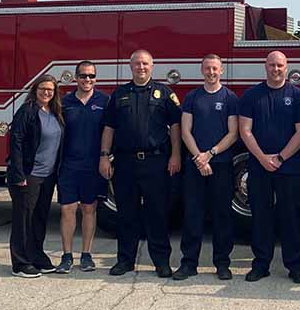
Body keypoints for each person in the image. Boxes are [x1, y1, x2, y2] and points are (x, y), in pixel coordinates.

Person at [99, 50, 182, 277]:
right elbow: (109, 127)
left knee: (158, 213)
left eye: (145, 63)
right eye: (137, 64)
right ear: (130, 66)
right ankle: (125, 261)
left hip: (156, 161)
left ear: (152, 66)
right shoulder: (119, 94)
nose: (141, 67)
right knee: (127, 214)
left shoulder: (164, 93)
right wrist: (104, 156)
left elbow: (175, 126)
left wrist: (176, 155)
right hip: (125, 162)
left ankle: (161, 262)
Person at [238, 51, 300, 284]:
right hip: (259, 167)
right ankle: (261, 264)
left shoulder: (298, 96)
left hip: (288, 167)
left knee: (290, 216)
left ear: (287, 67)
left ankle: (294, 265)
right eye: (272, 65)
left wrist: (279, 158)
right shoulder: (251, 95)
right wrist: (261, 158)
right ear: (265, 66)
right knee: (261, 216)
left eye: (280, 65)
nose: (276, 69)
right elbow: (245, 130)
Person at [174, 54, 240, 281]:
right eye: (207, 69)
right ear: (201, 70)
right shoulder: (192, 97)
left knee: (222, 215)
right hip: (196, 165)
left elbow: (233, 133)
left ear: (221, 70)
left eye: (215, 69)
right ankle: (188, 263)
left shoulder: (230, 97)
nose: (211, 72)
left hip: (220, 164)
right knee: (192, 214)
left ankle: (222, 263)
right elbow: (185, 131)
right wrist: (199, 158)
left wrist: (210, 154)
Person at [54, 60, 109, 274]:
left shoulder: (104, 100)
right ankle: (67, 256)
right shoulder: (64, 102)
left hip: (92, 165)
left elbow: (110, 131)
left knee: (89, 209)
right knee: (67, 209)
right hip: (69, 164)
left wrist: (105, 158)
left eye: (91, 76)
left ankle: (86, 255)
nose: (88, 80)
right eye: (83, 76)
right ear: (75, 77)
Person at [7, 74, 64, 277]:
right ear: (35, 89)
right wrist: (18, 173)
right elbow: (16, 142)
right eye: (43, 88)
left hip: (47, 177)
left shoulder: (55, 112)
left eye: (50, 89)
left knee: (39, 218)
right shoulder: (27, 111)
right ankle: (20, 263)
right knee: (24, 219)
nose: (46, 92)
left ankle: (37, 256)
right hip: (29, 175)